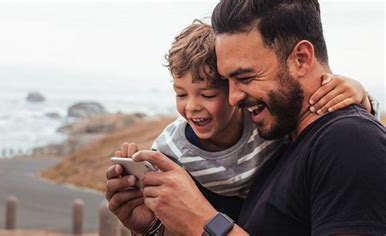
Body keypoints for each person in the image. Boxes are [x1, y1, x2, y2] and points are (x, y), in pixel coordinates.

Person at [105, 15, 383, 235]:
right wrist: (155, 228)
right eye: (180, 94)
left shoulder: (345, 139)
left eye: (245, 77)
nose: (237, 97)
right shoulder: (280, 129)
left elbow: (356, 128)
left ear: (302, 59)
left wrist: (203, 223)